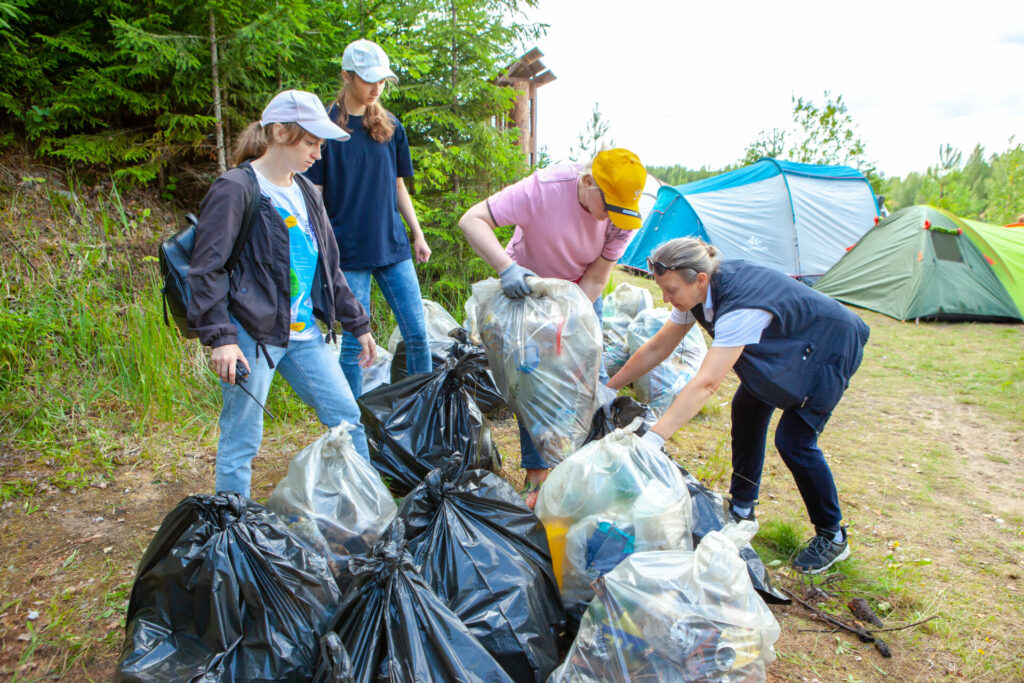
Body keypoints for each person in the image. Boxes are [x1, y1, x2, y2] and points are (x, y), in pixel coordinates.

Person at [608, 237, 870, 573]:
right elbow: (659, 348)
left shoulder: (741, 305)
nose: (666, 298)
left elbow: (707, 383)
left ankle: (833, 535)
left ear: (699, 279)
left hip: (830, 345)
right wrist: (610, 388)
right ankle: (743, 509)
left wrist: (655, 438)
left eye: (670, 290)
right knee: (747, 408)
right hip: (788, 345)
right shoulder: (697, 293)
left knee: (795, 442)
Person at [188, 89, 377, 498]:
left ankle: (370, 509)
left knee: (346, 416)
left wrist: (358, 323)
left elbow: (329, 267)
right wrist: (221, 338)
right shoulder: (236, 188)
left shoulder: (307, 192)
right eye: (310, 142)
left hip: (304, 334)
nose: (318, 154)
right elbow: (207, 269)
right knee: (243, 436)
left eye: (320, 144)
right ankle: (232, 526)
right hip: (251, 335)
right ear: (278, 132)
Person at [458, 148, 647, 507]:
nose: (615, 219)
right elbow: (472, 220)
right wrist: (504, 267)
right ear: (588, 182)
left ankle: (592, 471)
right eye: (610, 207)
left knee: (589, 380)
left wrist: (566, 321)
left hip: (578, 296)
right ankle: (536, 478)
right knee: (531, 382)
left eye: (622, 212)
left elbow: (597, 277)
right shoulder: (544, 189)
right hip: (525, 295)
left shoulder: (621, 219)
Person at [306, 39, 431, 397]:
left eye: (382, 80)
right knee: (353, 344)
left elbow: (398, 186)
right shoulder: (325, 128)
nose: (376, 88)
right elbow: (314, 196)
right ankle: (354, 422)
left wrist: (417, 233)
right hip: (348, 253)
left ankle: (420, 408)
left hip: (392, 246)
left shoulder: (391, 126)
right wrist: (322, 251)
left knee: (417, 334)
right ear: (346, 76)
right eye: (367, 79)